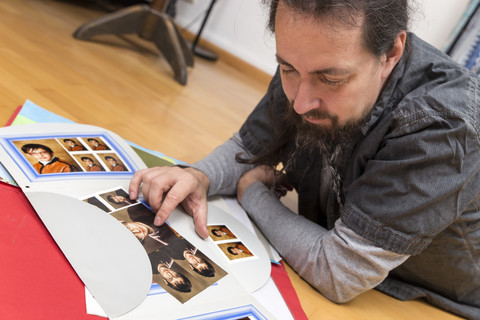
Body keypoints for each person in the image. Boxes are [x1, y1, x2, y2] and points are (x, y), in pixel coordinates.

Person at [129, 0, 480, 318]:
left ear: (391, 53)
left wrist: (253, 193)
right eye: (287, 68)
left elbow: (339, 272)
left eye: (330, 79)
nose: (299, 103)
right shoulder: (311, 58)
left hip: (438, 298)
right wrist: (199, 176)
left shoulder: (441, 127)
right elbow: (251, 148)